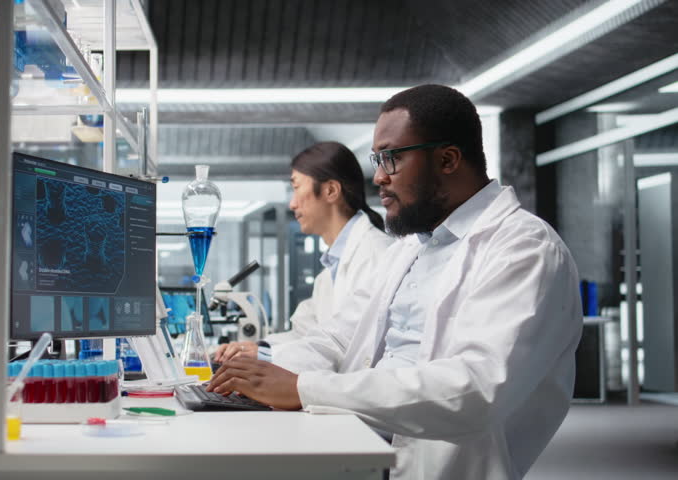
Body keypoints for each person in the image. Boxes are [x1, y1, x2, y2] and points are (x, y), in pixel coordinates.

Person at [208, 84, 582, 479]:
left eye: (391, 159)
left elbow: (475, 391)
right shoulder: (409, 248)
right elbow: (337, 339)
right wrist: (259, 373)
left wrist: (304, 388)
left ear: (448, 159)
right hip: (358, 445)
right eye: (377, 160)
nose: (379, 177)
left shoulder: (524, 249)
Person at [213, 142, 393, 371]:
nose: (292, 203)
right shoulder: (330, 270)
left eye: (297, 188)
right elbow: (306, 334)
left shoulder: (376, 254)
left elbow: (346, 343)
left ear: (331, 191)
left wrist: (266, 355)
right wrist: (258, 348)